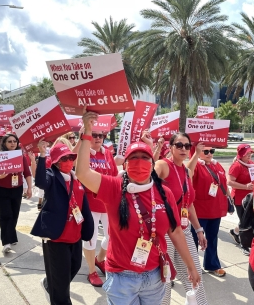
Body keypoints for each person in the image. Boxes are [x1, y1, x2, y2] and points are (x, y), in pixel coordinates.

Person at [75, 109, 200, 305]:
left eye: (145, 158)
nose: (139, 162)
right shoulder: (114, 187)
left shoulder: (164, 193)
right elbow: (82, 173)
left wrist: (191, 266)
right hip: (121, 279)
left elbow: (175, 232)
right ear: (124, 164)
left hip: (154, 277)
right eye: (133, 158)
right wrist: (86, 133)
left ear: (152, 164)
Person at [31, 142, 94, 305]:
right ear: (56, 162)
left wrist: (88, 231)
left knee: (74, 267)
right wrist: (42, 155)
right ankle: (57, 294)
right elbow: (40, 182)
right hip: (56, 236)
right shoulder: (51, 175)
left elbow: (84, 205)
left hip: (75, 235)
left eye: (70, 157)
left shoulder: (76, 178)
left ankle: (50, 284)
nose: (68, 161)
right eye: (63, 158)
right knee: (61, 284)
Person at [153, 132, 208, 305]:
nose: (183, 149)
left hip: (183, 229)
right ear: (170, 147)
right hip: (165, 230)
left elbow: (189, 204)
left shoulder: (187, 172)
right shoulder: (162, 165)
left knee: (194, 274)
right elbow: (147, 187)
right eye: (179, 145)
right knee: (165, 277)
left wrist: (199, 229)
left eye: (187, 146)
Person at [187, 143, 229, 277]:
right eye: (205, 152)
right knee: (194, 239)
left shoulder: (216, 165)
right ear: (197, 152)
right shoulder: (196, 165)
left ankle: (212, 264)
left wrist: (228, 198)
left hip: (216, 209)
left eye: (212, 151)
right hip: (200, 210)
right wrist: (194, 156)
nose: (210, 154)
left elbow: (223, 183)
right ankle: (191, 267)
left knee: (212, 237)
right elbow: (188, 173)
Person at [83, 130, 118, 287]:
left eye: (100, 136)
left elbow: (115, 174)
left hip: (108, 202)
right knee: (90, 238)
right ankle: (92, 271)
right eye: (94, 135)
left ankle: (100, 259)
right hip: (90, 202)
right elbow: (81, 176)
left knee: (113, 235)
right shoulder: (84, 153)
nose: (98, 138)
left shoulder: (107, 153)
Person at [0, 134, 32, 253]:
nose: (13, 143)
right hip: (2, 189)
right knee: (5, 215)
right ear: (4, 143)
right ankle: (6, 241)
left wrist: (29, 188)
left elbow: (27, 173)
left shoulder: (21, 156)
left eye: (15, 141)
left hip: (17, 189)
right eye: (9, 141)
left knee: (14, 214)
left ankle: (11, 236)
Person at [227, 144, 254, 255]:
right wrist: (245, 186)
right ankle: (244, 245)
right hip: (240, 198)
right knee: (245, 222)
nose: (249, 155)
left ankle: (235, 232)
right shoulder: (236, 166)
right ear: (241, 154)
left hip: (251, 197)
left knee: (248, 220)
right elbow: (229, 182)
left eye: (250, 153)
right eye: (247, 153)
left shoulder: (251, 164)